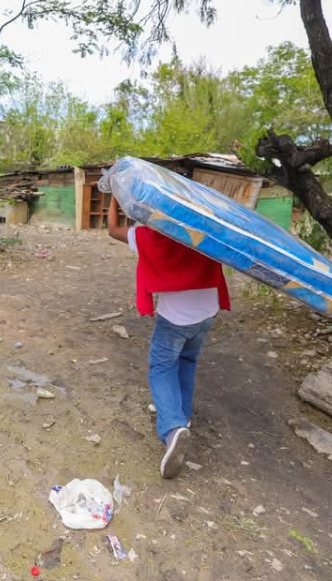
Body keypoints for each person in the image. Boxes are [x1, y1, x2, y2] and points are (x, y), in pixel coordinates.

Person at [108, 194, 230, 479]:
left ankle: (173, 429)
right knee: (186, 362)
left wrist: (114, 197)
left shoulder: (149, 236)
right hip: (207, 311)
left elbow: (112, 229)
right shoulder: (205, 232)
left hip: (175, 317)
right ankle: (182, 416)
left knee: (161, 368)